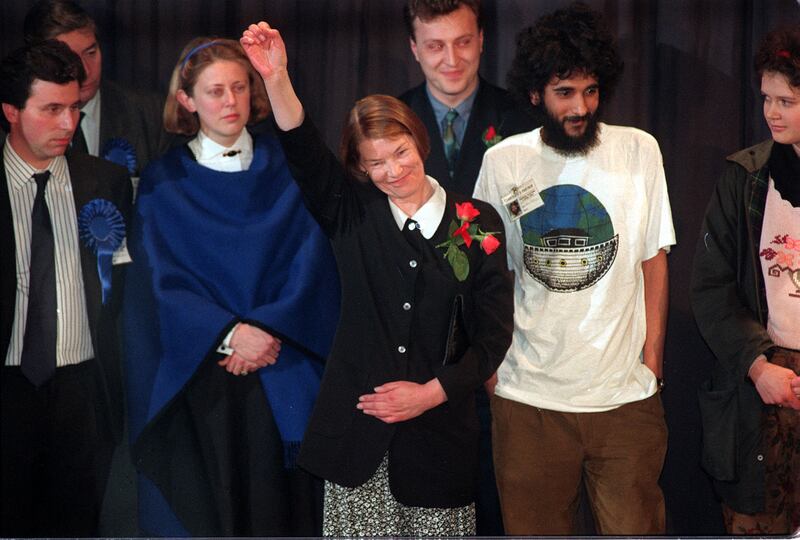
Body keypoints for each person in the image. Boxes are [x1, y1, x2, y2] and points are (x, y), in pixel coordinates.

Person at [241, 20, 514, 537]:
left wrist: (431, 393)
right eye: (375, 163)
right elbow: (302, 147)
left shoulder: (478, 223)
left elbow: (493, 338)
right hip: (355, 449)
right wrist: (275, 77)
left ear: (420, 141)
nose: (392, 171)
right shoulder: (352, 214)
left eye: (400, 153)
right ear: (361, 169)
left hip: (440, 452)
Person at [122, 37, 340, 536]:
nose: (230, 102)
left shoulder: (285, 168)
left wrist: (262, 329)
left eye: (240, 88)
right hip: (205, 371)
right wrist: (227, 333)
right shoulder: (162, 182)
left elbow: (311, 261)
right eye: (215, 91)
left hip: (281, 356)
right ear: (186, 100)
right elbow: (160, 280)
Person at [473, 3, 675, 535]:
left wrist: (652, 357)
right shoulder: (504, 162)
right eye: (565, 93)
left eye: (590, 90)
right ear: (537, 94)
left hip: (625, 399)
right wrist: (493, 371)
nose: (581, 106)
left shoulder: (639, 151)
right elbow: (487, 275)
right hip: (528, 401)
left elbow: (654, 258)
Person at [0, 39, 132, 536]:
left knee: (78, 523)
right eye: (51, 109)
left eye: (74, 108)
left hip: (83, 389)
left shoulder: (106, 182)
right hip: (9, 386)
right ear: (11, 110)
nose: (68, 124)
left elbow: (121, 289)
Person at [692, 26, 800, 536]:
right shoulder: (745, 178)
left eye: (787, 100)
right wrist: (758, 367)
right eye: (766, 98)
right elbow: (711, 288)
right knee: (757, 521)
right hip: (765, 380)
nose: (772, 112)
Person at [399, 0, 536, 197]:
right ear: (415, 49)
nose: (452, 60)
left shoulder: (522, 116)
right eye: (435, 46)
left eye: (463, 42)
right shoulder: (394, 120)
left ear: (480, 40)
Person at [23, 0, 170, 177]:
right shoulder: (15, 123)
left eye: (91, 53)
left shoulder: (150, 115)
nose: (85, 70)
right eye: (70, 58)